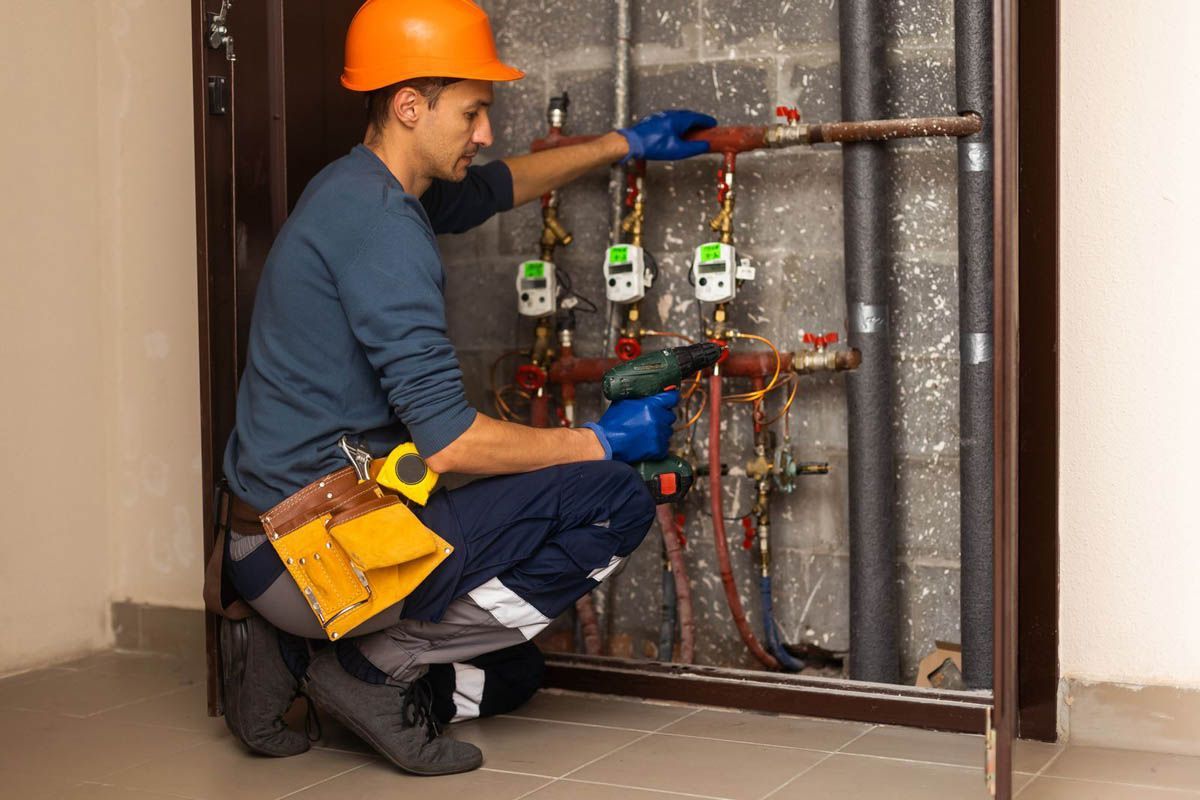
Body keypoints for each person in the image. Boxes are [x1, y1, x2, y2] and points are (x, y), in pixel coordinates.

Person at [213, 0, 717, 776]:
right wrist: (602, 440)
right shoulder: (382, 229)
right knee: (614, 499)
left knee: (513, 675)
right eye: (473, 111)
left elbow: (495, 187)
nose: (485, 134)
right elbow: (449, 443)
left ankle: (282, 651)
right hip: (316, 549)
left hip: (265, 540)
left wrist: (623, 144)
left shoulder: (360, 188)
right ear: (410, 105)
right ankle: (369, 668)